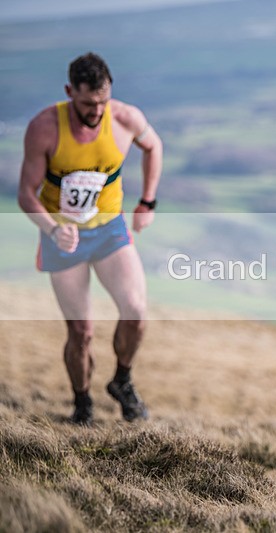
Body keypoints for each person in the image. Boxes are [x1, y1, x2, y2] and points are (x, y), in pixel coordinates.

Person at [18, 52, 163, 426]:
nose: (97, 111)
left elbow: (154, 146)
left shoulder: (125, 118)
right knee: (81, 332)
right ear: (70, 92)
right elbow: (26, 194)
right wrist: (52, 228)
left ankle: (122, 381)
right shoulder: (45, 127)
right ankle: (82, 405)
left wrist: (147, 202)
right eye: (87, 104)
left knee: (136, 312)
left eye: (103, 101)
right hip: (62, 237)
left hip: (110, 230)